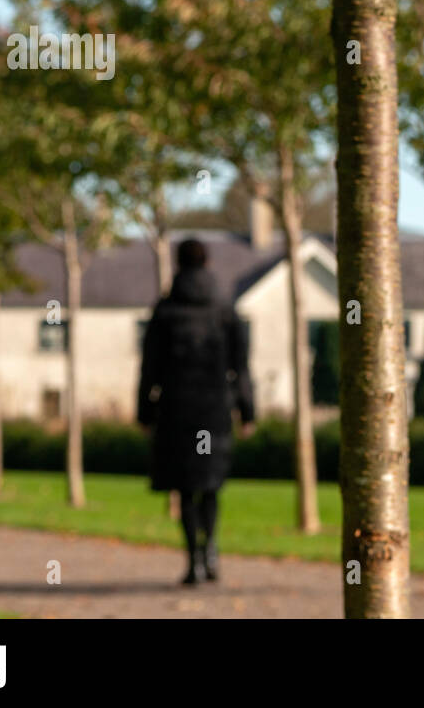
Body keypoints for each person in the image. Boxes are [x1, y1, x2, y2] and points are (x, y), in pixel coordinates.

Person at [138, 238, 255, 585]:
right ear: (207, 262)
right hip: (214, 410)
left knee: (186, 488)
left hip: (176, 411)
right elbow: (241, 366)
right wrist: (247, 411)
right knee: (211, 485)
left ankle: (194, 561)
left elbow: (149, 368)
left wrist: (144, 412)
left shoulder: (164, 311)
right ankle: (211, 548)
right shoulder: (224, 310)